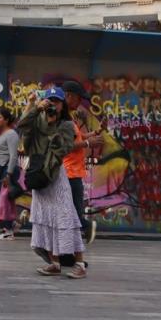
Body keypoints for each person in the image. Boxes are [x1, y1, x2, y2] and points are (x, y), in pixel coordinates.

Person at [21, 87, 87, 279]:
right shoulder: (39, 118)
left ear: (62, 105)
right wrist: (35, 107)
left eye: (56, 102)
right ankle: (54, 263)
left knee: (66, 217)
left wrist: (50, 126)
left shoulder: (66, 124)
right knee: (46, 219)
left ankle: (80, 264)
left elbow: (63, 148)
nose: (53, 105)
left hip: (55, 177)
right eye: (50, 101)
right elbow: (23, 126)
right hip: (38, 174)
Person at [61, 80, 101, 244]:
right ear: (68, 96)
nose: (80, 103)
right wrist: (87, 144)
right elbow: (66, 146)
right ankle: (85, 227)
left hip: (74, 171)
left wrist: (93, 134)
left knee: (73, 210)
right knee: (73, 211)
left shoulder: (69, 118)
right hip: (69, 172)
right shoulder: (64, 120)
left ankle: (74, 242)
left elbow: (77, 137)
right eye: (79, 99)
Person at [0, 107, 21, 240]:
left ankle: (9, 230)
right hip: (0, 169)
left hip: (7, 170)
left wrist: (8, 174)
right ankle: (11, 225)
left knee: (1, 200)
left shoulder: (11, 134)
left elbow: (14, 156)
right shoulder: (3, 134)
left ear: (6, 120)